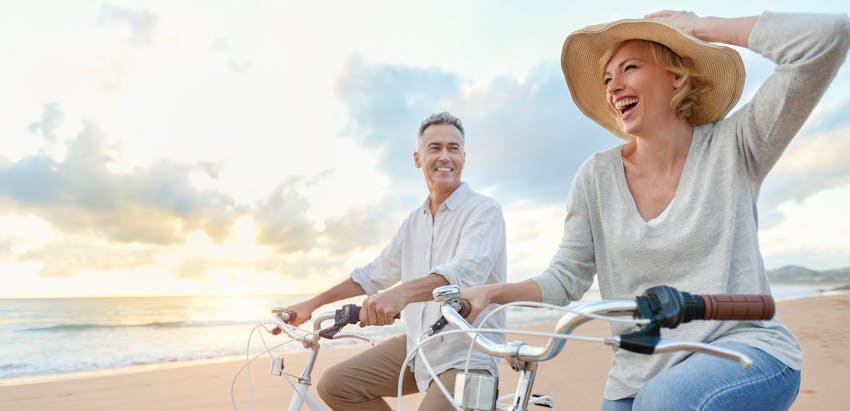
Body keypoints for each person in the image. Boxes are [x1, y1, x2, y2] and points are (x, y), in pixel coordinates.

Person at [460, 10, 850, 411]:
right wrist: (493, 293)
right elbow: (566, 277)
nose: (614, 86)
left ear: (677, 75)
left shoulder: (736, 145)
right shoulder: (596, 177)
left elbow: (826, 38)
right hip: (637, 374)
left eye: (630, 67)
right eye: (607, 79)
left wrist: (698, 28)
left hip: (744, 350)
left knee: (664, 400)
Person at [283, 111, 507, 410]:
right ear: (417, 159)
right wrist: (311, 304)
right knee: (336, 386)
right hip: (420, 345)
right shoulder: (413, 222)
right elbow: (373, 275)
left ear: (463, 158)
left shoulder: (484, 211)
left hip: (468, 353)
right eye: (435, 148)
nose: (445, 156)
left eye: (453, 148)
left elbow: (463, 273)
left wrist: (399, 295)